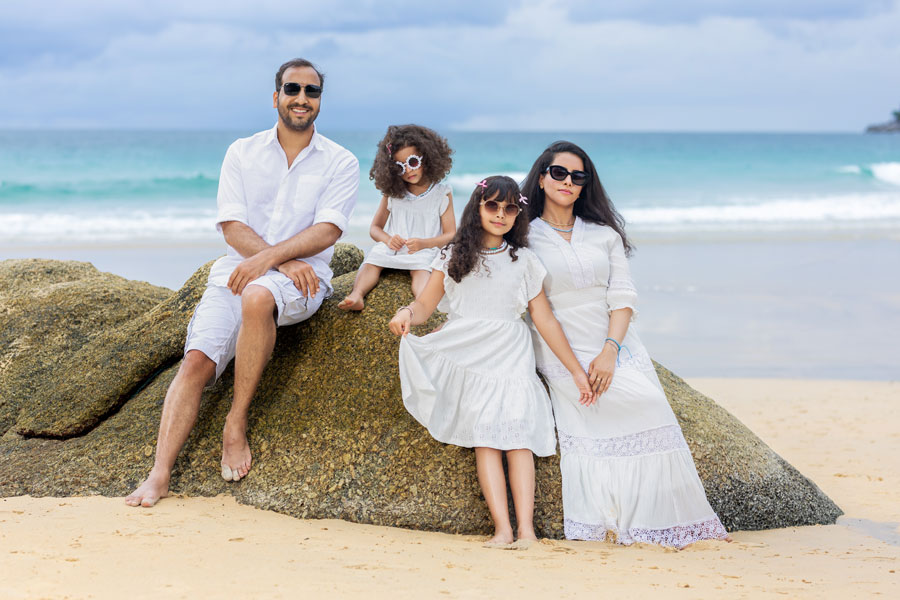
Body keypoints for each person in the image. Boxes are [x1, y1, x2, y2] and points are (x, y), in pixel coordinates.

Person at [125, 58, 359, 507]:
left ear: (319, 102)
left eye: (312, 92)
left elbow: (328, 231)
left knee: (258, 295)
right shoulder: (241, 152)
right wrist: (282, 261)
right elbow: (231, 227)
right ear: (276, 97)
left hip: (301, 283)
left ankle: (236, 421)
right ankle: (158, 474)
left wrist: (276, 263)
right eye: (293, 89)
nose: (302, 99)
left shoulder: (340, 162)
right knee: (195, 361)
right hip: (242, 271)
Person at [520, 141, 729, 547]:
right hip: (560, 347)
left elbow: (623, 298)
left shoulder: (603, 235)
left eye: (577, 176)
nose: (567, 181)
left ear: (585, 185)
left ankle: (666, 523)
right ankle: (607, 521)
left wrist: (610, 352)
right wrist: (577, 370)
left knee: (649, 404)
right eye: (559, 173)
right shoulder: (525, 236)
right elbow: (538, 311)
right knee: (590, 405)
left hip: (614, 342)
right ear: (542, 178)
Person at [388, 176, 593, 548]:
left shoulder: (524, 260)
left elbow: (544, 319)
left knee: (518, 439)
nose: (501, 214)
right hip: (470, 352)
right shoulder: (452, 256)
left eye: (510, 208)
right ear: (478, 208)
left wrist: (577, 371)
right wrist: (405, 312)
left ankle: (527, 531)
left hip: (511, 355)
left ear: (518, 214)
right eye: (493, 206)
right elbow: (425, 306)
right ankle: (502, 528)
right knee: (486, 440)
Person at [338, 124, 456, 311]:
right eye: (400, 167)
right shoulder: (393, 194)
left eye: (413, 162)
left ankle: (421, 304)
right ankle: (357, 294)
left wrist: (424, 244)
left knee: (421, 271)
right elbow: (375, 228)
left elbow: (450, 235)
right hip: (392, 249)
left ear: (428, 157)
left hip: (423, 251)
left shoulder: (441, 194)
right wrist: (388, 239)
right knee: (372, 261)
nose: (408, 170)